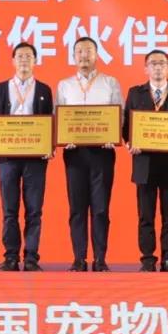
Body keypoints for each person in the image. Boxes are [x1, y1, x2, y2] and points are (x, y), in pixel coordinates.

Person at [123, 50, 168, 272]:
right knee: (145, 215)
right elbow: (126, 126)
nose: (158, 67)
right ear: (146, 68)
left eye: (162, 63)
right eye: (153, 63)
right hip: (144, 163)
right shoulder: (135, 93)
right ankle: (147, 259)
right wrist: (129, 142)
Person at [55, 37, 123, 272]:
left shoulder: (110, 82)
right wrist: (63, 136)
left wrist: (113, 134)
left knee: (101, 208)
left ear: (96, 54)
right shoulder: (64, 85)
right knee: (77, 208)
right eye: (79, 51)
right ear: (74, 56)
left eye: (89, 51)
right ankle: (79, 258)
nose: (84, 55)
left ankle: (100, 259)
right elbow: (57, 116)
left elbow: (120, 114)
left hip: (102, 152)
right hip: (74, 153)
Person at [0, 42, 54, 271]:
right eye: (20, 56)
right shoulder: (0, 89)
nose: (24, 60)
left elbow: (50, 122)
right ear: (13, 61)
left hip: (35, 157)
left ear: (35, 61)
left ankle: (32, 257)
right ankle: (11, 256)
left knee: (34, 210)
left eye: (28, 56)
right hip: (7, 157)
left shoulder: (44, 90)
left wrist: (49, 145)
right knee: (9, 210)